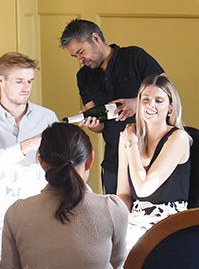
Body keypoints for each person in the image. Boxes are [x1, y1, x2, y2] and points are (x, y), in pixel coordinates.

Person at [0, 122, 129, 269]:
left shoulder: (18, 212)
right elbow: (114, 264)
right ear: (90, 160)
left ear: (41, 162)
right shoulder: (112, 209)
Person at [60, 19, 164, 194]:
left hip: (153, 154)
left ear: (96, 38)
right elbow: (100, 126)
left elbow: (168, 93)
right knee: (117, 216)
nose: (80, 59)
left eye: (81, 52)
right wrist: (94, 124)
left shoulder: (134, 57)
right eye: (75, 56)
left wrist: (137, 104)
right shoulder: (83, 77)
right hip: (114, 159)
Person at [116, 74, 192, 249]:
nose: (151, 105)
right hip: (137, 219)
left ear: (170, 107)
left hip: (169, 220)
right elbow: (124, 193)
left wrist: (132, 144)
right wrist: (122, 220)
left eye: (159, 100)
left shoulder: (178, 138)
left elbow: (143, 189)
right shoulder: (128, 137)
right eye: (145, 99)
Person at [0, 52, 59, 171]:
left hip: (40, 189)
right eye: (19, 81)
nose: (27, 88)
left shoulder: (48, 117)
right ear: (0, 80)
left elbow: (59, 163)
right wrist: (26, 146)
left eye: (30, 81)